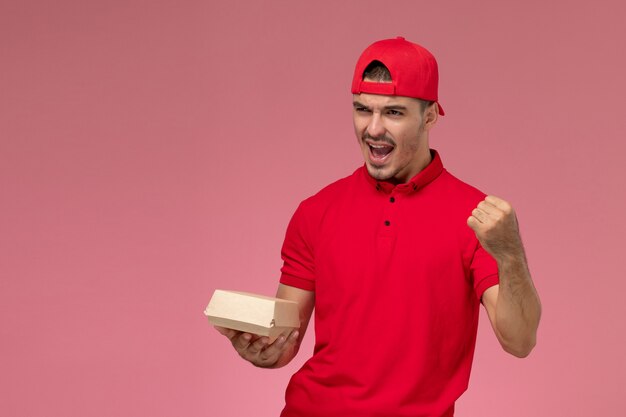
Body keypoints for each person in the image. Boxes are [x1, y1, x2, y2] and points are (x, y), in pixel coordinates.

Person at [215, 36, 541, 417]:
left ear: (431, 115)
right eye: (362, 109)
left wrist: (510, 254)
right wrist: (262, 350)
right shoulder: (316, 211)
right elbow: (285, 341)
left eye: (394, 113)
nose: (373, 129)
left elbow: (520, 341)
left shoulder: (475, 216)